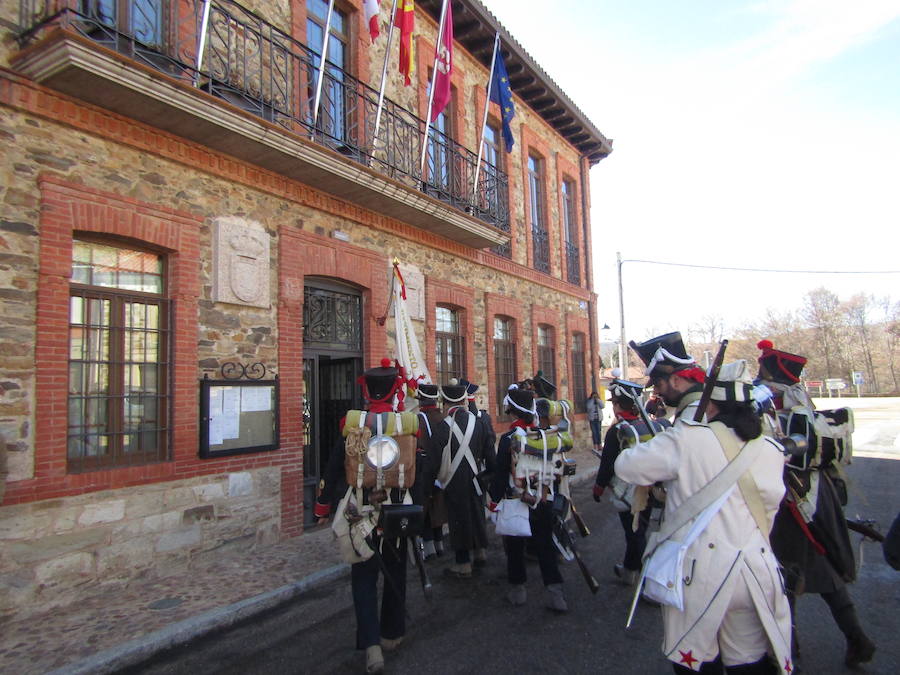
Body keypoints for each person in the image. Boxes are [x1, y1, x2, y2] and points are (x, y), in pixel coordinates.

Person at [616, 333, 792, 674]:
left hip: (702, 571)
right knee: (748, 663)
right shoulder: (770, 450)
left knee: (695, 662)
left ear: (712, 403)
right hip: (757, 568)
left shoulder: (689, 437)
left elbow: (627, 466)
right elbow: (768, 510)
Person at [757, 340, 876, 669]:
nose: (758, 371)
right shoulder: (799, 399)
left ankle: (785, 650)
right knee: (824, 569)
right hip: (815, 494)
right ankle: (856, 638)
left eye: (762, 366)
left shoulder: (770, 400)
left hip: (788, 498)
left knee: (783, 575)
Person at [314, 359, 416, 674]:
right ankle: (392, 633)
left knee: (364, 578)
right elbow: (419, 469)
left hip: (361, 512)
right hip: (398, 509)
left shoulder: (353, 422)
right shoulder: (407, 423)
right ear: (394, 388)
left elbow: (333, 466)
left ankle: (371, 645)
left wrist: (322, 504)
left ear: (368, 389)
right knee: (396, 572)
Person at [488, 384, 568, 612]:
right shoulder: (543, 436)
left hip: (517, 499)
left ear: (512, 411)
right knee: (544, 545)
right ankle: (556, 594)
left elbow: (501, 473)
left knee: (514, 546)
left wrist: (494, 502)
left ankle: (518, 591)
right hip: (542, 498)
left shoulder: (509, 438)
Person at [593, 379, 669, 585]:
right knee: (638, 531)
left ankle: (648, 578)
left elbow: (607, 464)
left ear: (618, 405)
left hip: (628, 490)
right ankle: (629, 570)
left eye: (615, 403)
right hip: (651, 486)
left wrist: (598, 488)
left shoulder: (618, 431)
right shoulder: (650, 425)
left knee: (634, 533)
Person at [421, 382, 493, 578]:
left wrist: (426, 491)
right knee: (476, 513)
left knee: (459, 518)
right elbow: (490, 455)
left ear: (444, 403)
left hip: (454, 480)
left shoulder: (443, 428)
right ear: (463, 400)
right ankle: (480, 552)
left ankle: (463, 563)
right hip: (476, 477)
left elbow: (432, 463)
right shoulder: (479, 423)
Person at [413, 383, 447, 559]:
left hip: (426, 470)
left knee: (425, 510)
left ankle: (428, 547)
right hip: (442, 470)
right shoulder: (443, 418)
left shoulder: (420, 419)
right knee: (437, 508)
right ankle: (438, 543)